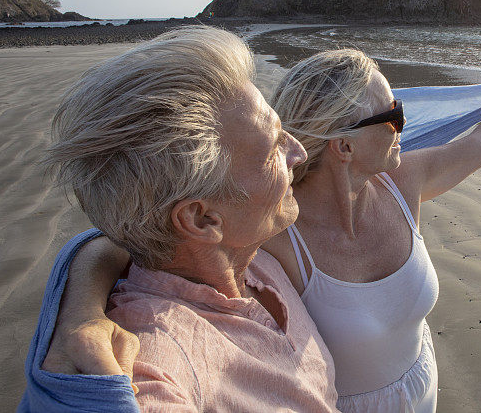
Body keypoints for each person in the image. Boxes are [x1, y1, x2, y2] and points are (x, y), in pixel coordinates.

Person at [44, 48, 481, 412]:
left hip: (420, 384)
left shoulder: (387, 189)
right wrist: (84, 327)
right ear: (343, 146)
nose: (297, 152)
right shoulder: (264, 237)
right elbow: (137, 259)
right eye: (392, 115)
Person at [24, 26, 339, 412]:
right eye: (274, 146)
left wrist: (79, 308)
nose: (299, 153)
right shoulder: (157, 367)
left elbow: (103, 242)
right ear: (202, 219)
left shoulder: (254, 252)